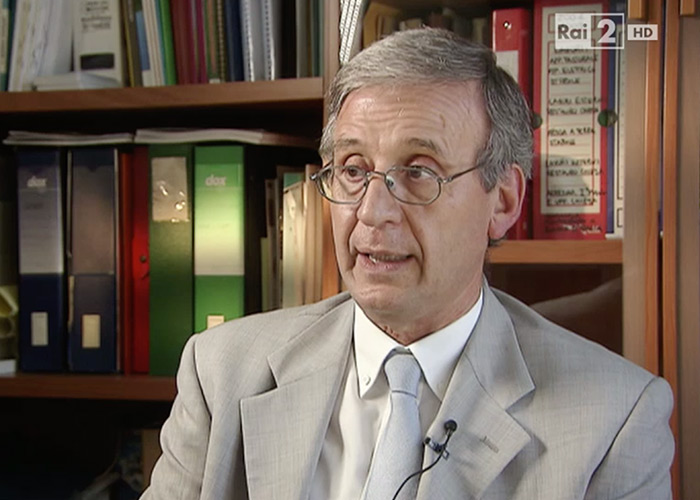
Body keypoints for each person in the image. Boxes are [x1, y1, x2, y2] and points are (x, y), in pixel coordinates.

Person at [142, 28, 674, 500]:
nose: (372, 212)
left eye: (419, 171)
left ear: (504, 200)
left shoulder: (613, 420)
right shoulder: (221, 373)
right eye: (353, 170)